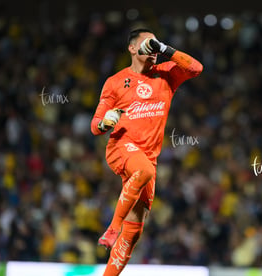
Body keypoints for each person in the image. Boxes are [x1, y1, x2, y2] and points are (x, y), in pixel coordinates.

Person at [90, 28, 203, 275]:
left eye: (155, 44)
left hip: (148, 157)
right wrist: (104, 123)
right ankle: (112, 228)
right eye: (147, 44)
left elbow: (196, 68)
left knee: (134, 233)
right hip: (121, 148)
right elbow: (95, 126)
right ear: (132, 48)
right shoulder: (115, 82)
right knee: (143, 171)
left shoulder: (166, 75)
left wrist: (164, 49)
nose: (152, 48)